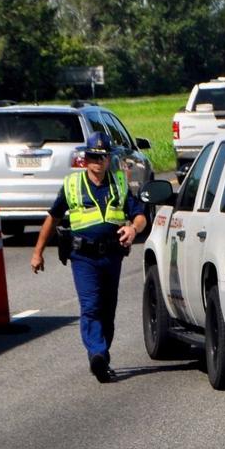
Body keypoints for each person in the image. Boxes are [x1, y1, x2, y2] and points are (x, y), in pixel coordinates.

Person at [31, 132, 147, 383]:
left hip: (112, 256)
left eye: (102, 157)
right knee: (91, 305)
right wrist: (38, 252)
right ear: (85, 159)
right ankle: (97, 354)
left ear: (108, 160)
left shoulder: (119, 184)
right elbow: (54, 217)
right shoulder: (72, 185)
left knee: (108, 309)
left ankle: (101, 354)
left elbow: (139, 214)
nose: (97, 162)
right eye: (93, 156)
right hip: (83, 256)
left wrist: (133, 229)